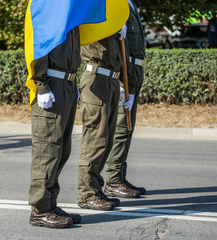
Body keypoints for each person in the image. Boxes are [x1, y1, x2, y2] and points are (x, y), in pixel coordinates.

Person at [28, 26, 82, 228]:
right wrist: (40, 85)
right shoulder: (52, 6)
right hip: (51, 83)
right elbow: (39, 43)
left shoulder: (69, 9)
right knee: (47, 150)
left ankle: (50, 203)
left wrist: (72, 84)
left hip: (67, 82)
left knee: (62, 149)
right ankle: (40, 210)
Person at [77, 25, 130, 210]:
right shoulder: (94, 9)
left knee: (106, 140)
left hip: (110, 80)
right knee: (95, 139)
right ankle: (87, 194)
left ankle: (96, 190)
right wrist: (112, 25)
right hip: (97, 79)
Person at [104, 0, 147, 199]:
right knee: (122, 126)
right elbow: (119, 44)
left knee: (128, 128)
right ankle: (113, 180)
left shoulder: (128, 3)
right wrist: (123, 80)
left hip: (135, 69)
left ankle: (119, 175)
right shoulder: (117, 3)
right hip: (126, 70)